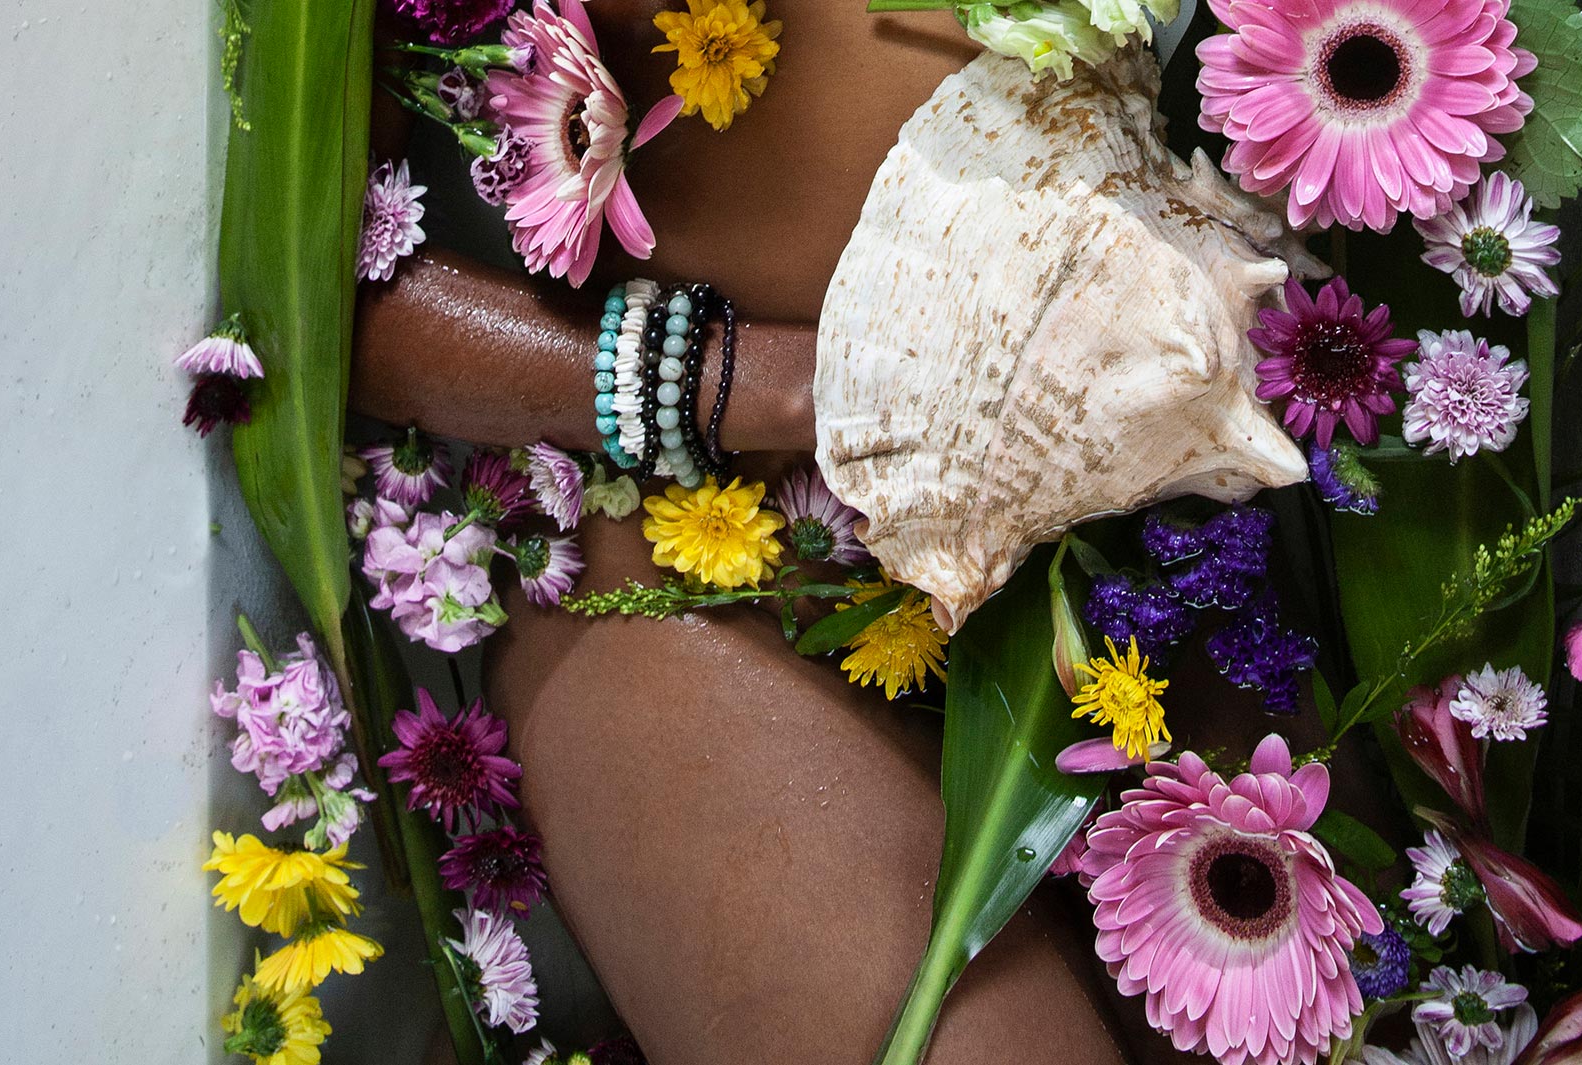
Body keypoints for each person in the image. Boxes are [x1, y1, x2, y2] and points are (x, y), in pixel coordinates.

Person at [354, 4, 1393, 1062]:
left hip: (1122, 529)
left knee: (1364, 1024)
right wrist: (799, 389)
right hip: (695, 574)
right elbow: (331, 312)